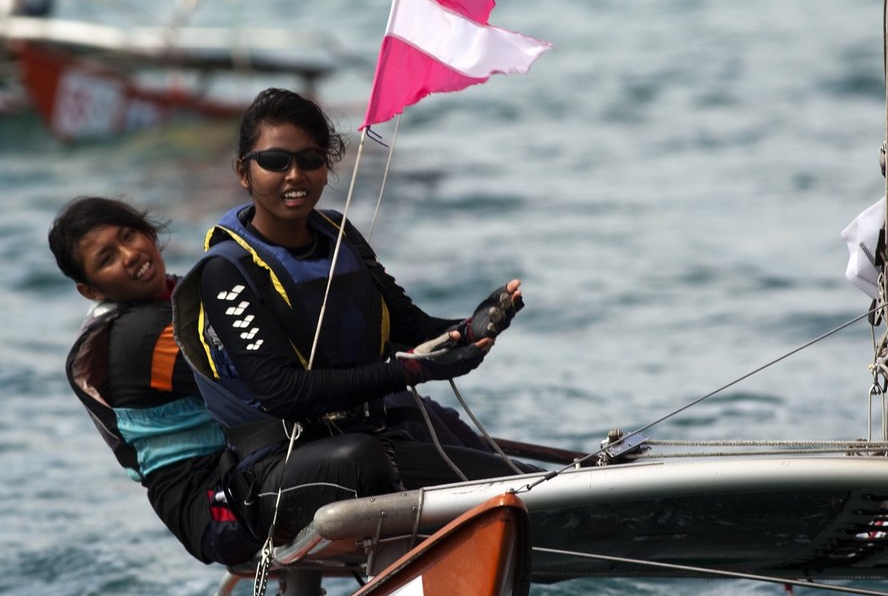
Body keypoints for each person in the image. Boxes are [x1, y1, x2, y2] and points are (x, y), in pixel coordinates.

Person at [172, 87, 533, 544]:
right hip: (281, 474)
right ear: (244, 172)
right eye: (276, 161)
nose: (295, 175)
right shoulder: (225, 272)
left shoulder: (339, 233)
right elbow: (282, 392)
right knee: (360, 459)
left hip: (372, 434)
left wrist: (469, 331)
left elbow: (411, 329)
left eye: (310, 159)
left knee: (516, 477)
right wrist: (412, 370)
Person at [49, 197, 261, 565]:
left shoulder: (179, 294)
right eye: (107, 258)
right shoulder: (142, 336)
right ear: (92, 290)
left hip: (242, 469)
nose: (129, 254)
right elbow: (259, 380)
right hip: (213, 506)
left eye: (129, 235)